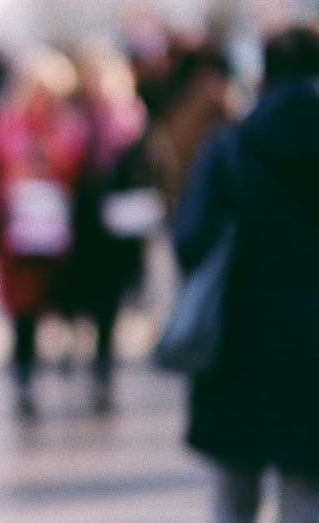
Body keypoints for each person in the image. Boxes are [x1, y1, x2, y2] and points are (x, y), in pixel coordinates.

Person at [174, 26, 319, 521]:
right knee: (307, 490)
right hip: (312, 351)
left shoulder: (231, 145)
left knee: (234, 497)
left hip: (238, 342)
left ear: (264, 74)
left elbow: (190, 242)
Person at [0, 49, 89, 418]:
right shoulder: (6, 123)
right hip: (18, 235)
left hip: (58, 232)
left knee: (60, 301)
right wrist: (10, 191)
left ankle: (66, 358)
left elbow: (79, 173)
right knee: (23, 310)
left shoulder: (69, 125)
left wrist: (52, 171)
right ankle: (24, 380)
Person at [62, 42, 149, 412]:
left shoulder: (135, 118)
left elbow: (155, 165)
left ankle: (103, 371)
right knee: (87, 298)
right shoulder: (77, 120)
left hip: (122, 230)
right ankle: (84, 351)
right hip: (86, 227)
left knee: (112, 305)